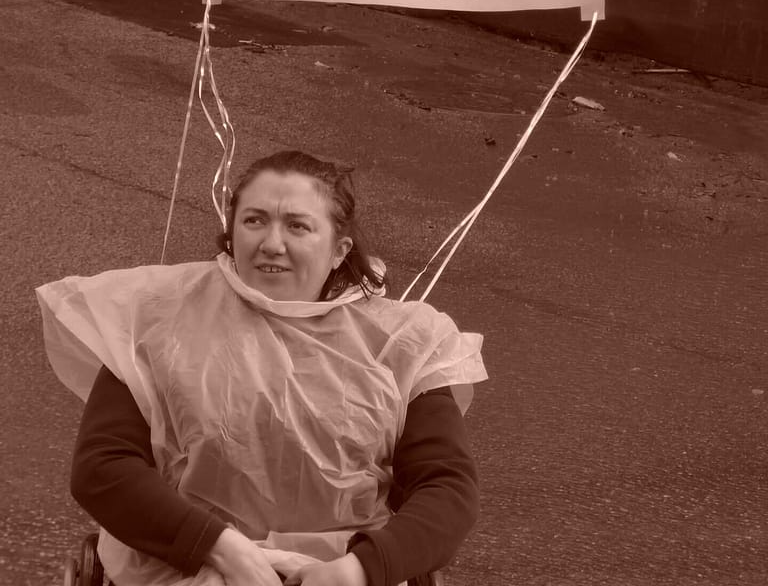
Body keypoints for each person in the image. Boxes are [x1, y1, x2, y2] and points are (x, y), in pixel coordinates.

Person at [37, 150, 487, 586]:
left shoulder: (402, 343)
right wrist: (223, 550)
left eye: (297, 226)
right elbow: (103, 466)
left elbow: (447, 488)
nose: (272, 244)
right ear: (233, 233)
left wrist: (361, 569)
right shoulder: (158, 319)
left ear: (338, 249)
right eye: (254, 220)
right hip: (186, 562)